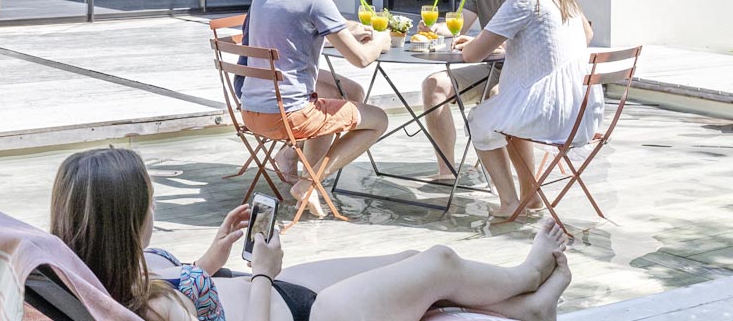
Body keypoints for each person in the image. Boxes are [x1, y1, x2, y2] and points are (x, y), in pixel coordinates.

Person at [51, 147, 573, 321]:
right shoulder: (151, 312)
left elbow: (177, 285)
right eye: (149, 196)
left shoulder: (99, 267)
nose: (154, 204)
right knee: (436, 260)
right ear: (129, 215)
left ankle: (524, 310)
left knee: (411, 256)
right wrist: (260, 272)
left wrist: (214, 253)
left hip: (280, 292)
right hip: (308, 315)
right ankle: (525, 275)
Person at [237, 0, 389, 216]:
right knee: (379, 119)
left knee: (332, 104)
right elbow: (360, 60)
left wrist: (344, 30)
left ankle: (301, 174)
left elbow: (295, 31)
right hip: (288, 117)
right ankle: (308, 183)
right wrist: (382, 39)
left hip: (251, 110)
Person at [455, 0, 596, 219]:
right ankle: (530, 198)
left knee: (481, 120)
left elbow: (471, 55)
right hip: (581, 110)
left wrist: (469, 43)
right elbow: (587, 35)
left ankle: (509, 203)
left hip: (551, 113)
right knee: (505, 115)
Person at [415, 0, 514, 180]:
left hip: (520, 71)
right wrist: (434, 28)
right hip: (492, 67)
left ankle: (506, 178)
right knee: (434, 84)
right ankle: (446, 171)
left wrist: (484, 44)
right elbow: (460, 24)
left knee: (496, 98)